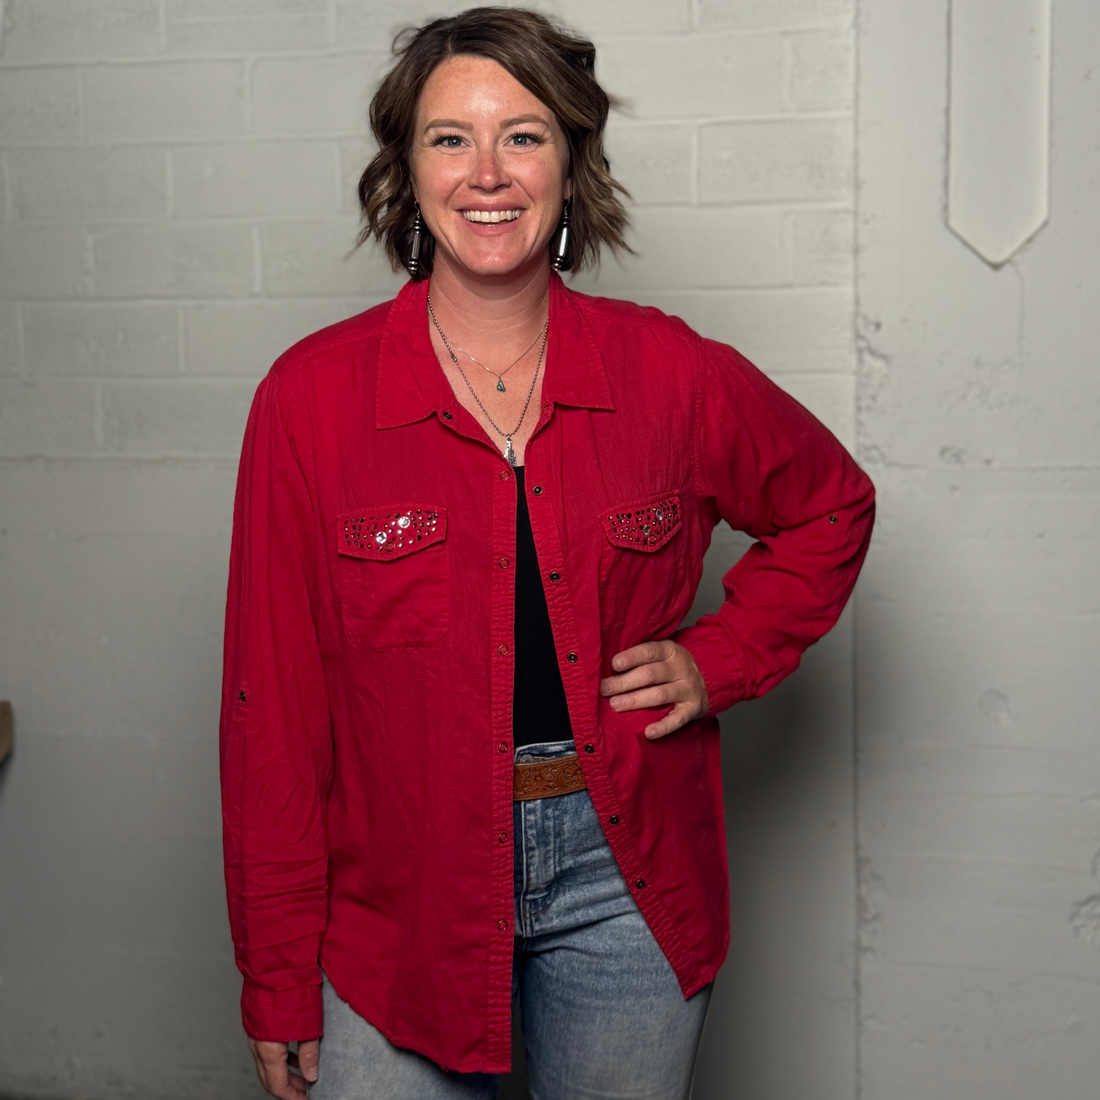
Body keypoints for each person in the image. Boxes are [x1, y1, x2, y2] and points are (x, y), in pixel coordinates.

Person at [219, 7, 875, 1099]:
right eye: (448, 137)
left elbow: (828, 507)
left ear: (570, 165)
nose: (487, 172)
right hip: (400, 888)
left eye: (522, 135)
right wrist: (277, 976)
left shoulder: (670, 371)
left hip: (626, 873)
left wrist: (720, 658)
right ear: (407, 169)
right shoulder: (309, 399)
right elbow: (271, 715)